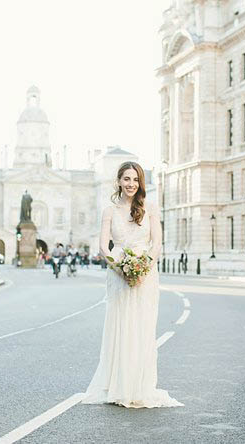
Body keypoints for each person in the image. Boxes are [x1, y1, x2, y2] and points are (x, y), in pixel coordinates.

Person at [83, 161, 183, 408]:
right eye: (126, 179)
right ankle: (118, 385)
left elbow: (157, 244)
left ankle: (139, 386)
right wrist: (121, 268)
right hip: (118, 274)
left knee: (142, 327)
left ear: (141, 183)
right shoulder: (109, 211)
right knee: (120, 326)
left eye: (135, 179)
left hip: (146, 275)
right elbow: (103, 246)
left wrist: (142, 268)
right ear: (118, 181)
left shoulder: (150, 208)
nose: (131, 184)